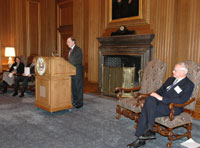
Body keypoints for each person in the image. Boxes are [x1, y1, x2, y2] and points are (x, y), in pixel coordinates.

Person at [127, 62, 194, 148]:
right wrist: (153, 94)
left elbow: (182, 100)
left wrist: (162, 99)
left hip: (173, 107)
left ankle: (141, 139)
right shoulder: (170, 79)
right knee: (150, 99)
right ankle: (149, 130)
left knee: (147, 109)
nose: (173, 71)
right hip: (161, 103)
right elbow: (160, 91)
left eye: (175, 70)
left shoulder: (188, 84)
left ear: (183, 72)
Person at [66, 37, 83, 109]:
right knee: (73, 88)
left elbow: (78, 61)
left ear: (73, 42)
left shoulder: (78, 50)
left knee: (78, 88)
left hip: (77, 72)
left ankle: (80, 103)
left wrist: (68, 63)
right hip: (71, 72)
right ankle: (75, 101)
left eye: (69, 42)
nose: (67, 44)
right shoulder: (70, 50)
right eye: (67, 42)